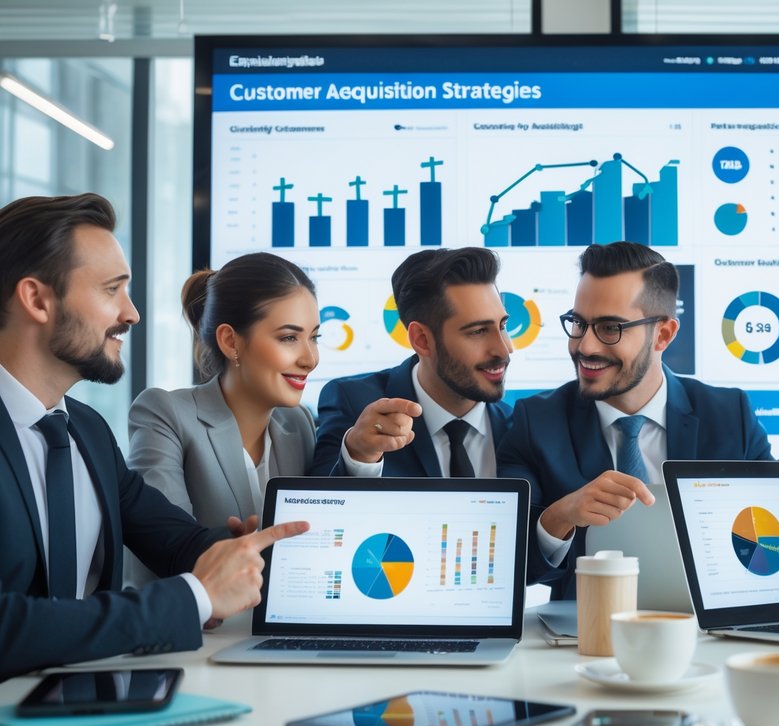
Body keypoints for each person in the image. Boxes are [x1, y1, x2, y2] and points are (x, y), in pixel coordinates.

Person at [0, 193, 306, 680]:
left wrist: (240, 551)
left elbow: (175, 540)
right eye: (112, 290)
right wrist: (195, 596)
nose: (132, 314)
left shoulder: (85, 431)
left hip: (87, 702)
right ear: (37, 299)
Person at [497, 241, 773, 599]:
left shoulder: (729, 414)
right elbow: (508, 562)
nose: (585, 346)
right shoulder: (537, 421)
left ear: (663, 335)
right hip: (587, 628)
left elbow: (777, 525)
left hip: (708, 625)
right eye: (579, 323)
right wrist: (560, 516)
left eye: (610, 327)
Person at [128, 253, 319, 528]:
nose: (310, 360)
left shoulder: (298, 422)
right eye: (289, 338)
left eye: (314, 337)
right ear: (230, 342)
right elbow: (161, 536)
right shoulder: (166, 414)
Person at [311, 247, 512, 478]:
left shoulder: (521, 428)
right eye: (478, 331)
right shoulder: (353, 403)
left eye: (503, 326)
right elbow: (318, 498)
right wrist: (359, 457)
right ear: (422, 340)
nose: (505, 349)